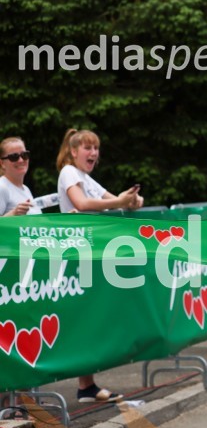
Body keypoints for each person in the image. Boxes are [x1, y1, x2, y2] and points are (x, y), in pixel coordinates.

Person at [56, 128, 144, 403]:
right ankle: (79, 385)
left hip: (91, 255)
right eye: (87, 148)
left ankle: (87, 385)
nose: (93, 153)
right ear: (73, 152)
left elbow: (115, 201)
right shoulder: (69, 173)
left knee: (91, 318)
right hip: (76, 255)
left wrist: (131, 199)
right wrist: (120, 201)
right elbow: (81, 204)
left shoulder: (85, 177)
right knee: (82, 319)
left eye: (95, 148)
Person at [0, 137, 41, 217]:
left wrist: (65, 217)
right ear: (2, 163)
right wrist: (13, 213)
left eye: (24, 155)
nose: (21, 160)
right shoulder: (2, 187)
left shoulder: (26, 189)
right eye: (14, 157)